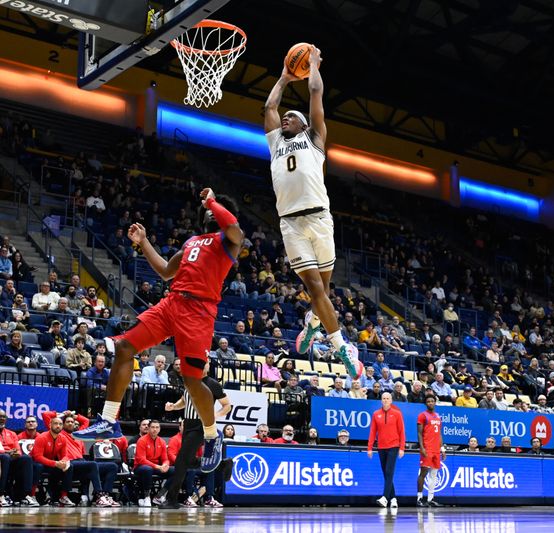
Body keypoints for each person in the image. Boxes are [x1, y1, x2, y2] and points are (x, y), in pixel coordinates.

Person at [76, 188, 243, 476]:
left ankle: (213, 436)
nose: (207, 211)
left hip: (199, 312)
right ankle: (108, 419)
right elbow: (166, 271)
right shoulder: (192, 241)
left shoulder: (229, 241)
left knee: (192, 380)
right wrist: (143, 243)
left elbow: (234, 228)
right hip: (172, 302)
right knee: (125, 347)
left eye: (213, 209)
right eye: (207, 208)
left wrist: (214, 201)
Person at [263, 44, 360, 378]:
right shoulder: (276, 143)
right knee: (316, 290)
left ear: (305, 126)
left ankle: (312, 325)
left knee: (325, 290)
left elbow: (316, 91)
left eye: (293, 117)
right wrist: (285, 77)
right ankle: (340, 346)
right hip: (291, 224)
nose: (286, 117)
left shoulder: (315, 139)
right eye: (285, 117)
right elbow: (270, 106)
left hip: (320, 218)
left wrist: (314, 64)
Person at [162, 360, 231, 508]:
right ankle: (221, 465)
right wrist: (173, 406)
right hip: (187, 424)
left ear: (208, 367)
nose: (202, 366)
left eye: (205, 364)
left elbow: (227, 406)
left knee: (181, 461)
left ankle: (172, 500)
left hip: (201, 426)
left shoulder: (212, 384)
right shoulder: (190, 381)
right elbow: (184, 400)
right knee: (188, 461)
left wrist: (215, 416)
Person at [367, 392, 405, 508]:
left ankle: (385, 498)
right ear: (381, 400)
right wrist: (369, 448)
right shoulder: (376, 414)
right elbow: (373, 432)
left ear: (391, 400)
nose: (385, 400)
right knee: (386, 473)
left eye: (388, 398)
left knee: (389, 471)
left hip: (394, 446)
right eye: (383, 398)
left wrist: (402, 448)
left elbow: (401, 431)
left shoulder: (397, 414)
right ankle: (393, 498)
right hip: (381, 447)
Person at [0, 409, 40, 507]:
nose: (1, 419)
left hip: (11, 459)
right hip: (2, 459)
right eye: (0, 416)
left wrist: (13, 453)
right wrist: (8, 452)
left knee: (26, 458)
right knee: (4, 457)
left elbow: (18, 451)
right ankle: (1, 495)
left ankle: (26, 495)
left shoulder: (12, 434)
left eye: (3, 417)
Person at [133, 420, 174, 508]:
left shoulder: (162, 441)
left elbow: (165, 459)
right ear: (148, 428)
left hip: (155, 467)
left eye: (157, 427)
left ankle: (160, 496)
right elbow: (141, 460)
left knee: (176, 470)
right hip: (140, 467)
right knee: (148, 469)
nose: (155, 429)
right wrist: (158, 466)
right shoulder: (142, 440)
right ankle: (146, 497)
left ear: (159, 429)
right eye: (152, 427)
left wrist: (165, 465)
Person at [416, 395, 444, 508]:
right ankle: (419, 498)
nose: (431, 403)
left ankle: (430, 499)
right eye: (428, 401)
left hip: (436, 449)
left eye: (432, 401)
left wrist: (442, 448)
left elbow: (440, 434)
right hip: (427, 448)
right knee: (423, 473)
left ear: (435, 403)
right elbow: (419, 433)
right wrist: (421, 447)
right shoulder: (422, 415)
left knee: (434, 475)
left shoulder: (438, 416)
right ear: (425, 403)